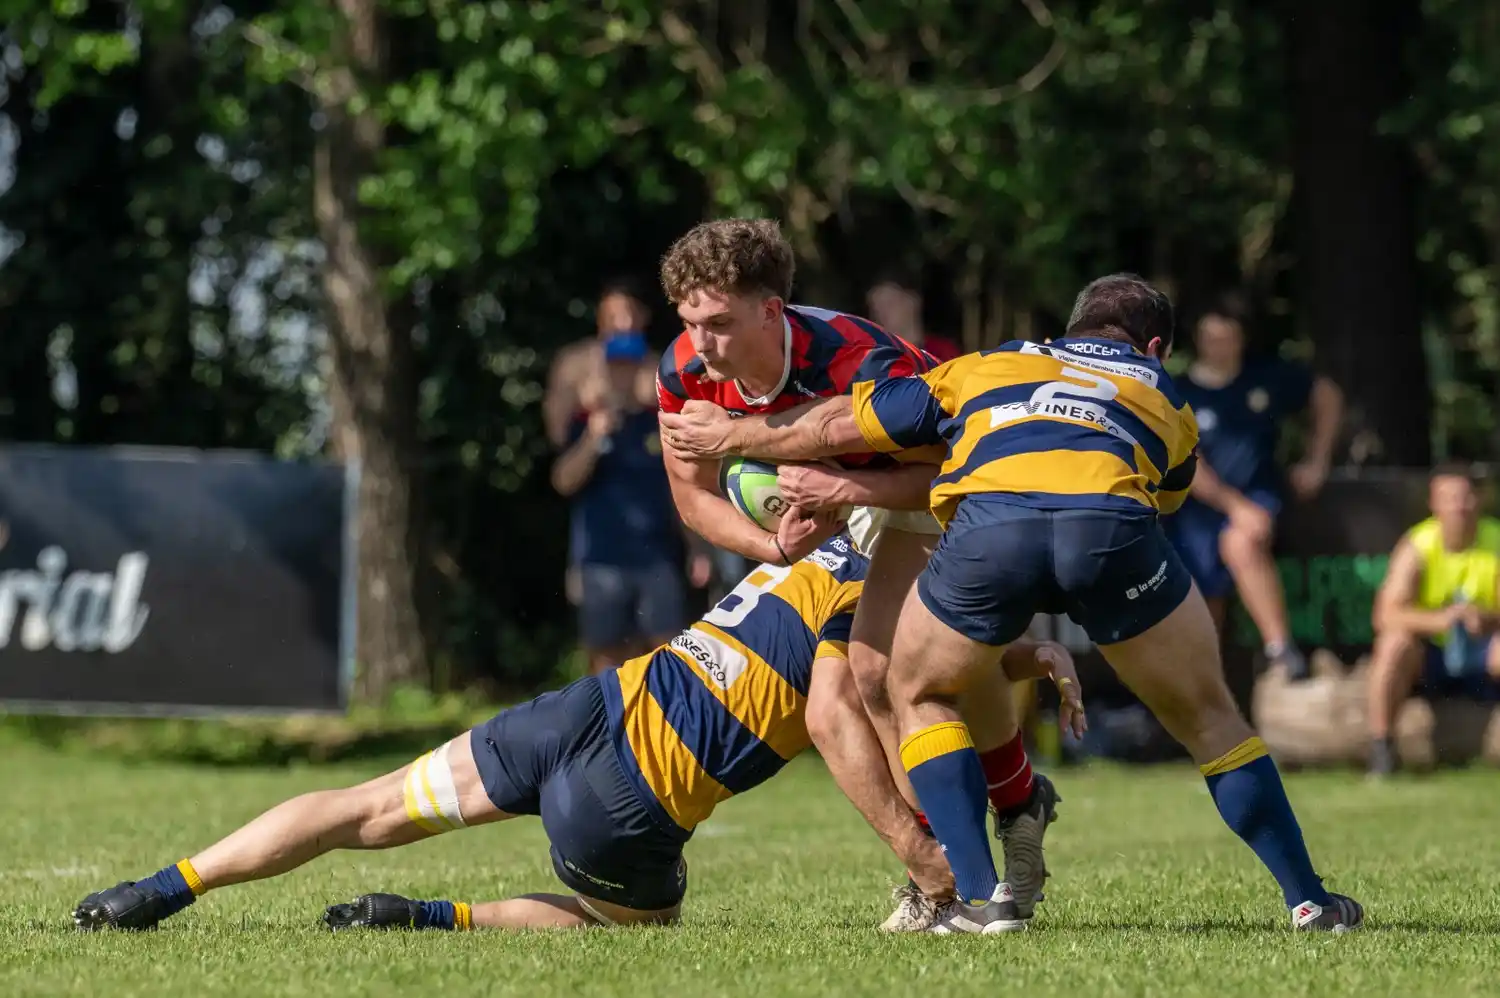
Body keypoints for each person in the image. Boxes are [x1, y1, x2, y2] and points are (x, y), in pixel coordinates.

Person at [661, 273, 1363, 935]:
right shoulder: (1163, 391)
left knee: (919, 689)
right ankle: (1309, 901)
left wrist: (739, 436)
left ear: (1069, 331)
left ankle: (978, 898)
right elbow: (1169, 493)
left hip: (994, 531)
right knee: (1210, 719)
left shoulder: (989, 364)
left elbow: (846, 423)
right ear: (1157, 348)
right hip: (1107, 529)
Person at [71, 535, 1085, 933]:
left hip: (583, 709)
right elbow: (836, 707)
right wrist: (920, 852)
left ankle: (161, 887)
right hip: (628, 804)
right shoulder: (871, 589)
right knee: (637, 930)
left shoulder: (815, 555)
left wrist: (1016, 658)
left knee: (365, 803)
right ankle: (430, 918)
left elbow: (901, 663)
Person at [654, 218, 1060, 930]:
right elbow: (692, 497)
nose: (703, 344)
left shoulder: (858, 359)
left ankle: (976, 871)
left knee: (884, 674)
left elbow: (943, 472)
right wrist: (772, 548)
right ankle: (948, 864)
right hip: (851, 513)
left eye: (720, 323)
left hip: (945, 495)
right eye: (690, 324)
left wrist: (843, 492)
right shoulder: (685, 370)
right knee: (830, 709)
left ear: (772, 310)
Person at [1164, 299, 1344, 681]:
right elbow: (1189, 465)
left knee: (1241, 543)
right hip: (1196, 509)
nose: (1220, 347)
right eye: (1212, 338)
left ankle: (1280, 648)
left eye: (1228, 338)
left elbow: (1326, 394)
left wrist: (1317, 459)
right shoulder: (1177, 393)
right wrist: (1233, 506)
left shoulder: (1268, 377)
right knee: (1202, 592)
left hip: (1260, 494)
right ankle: (1203, 684)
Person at [1366, 463, 1500, 776]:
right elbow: (1384, 615)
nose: (1459, 507)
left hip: (1482, 651)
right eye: (1449, 498)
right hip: (1432, 655)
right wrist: (1440, 620)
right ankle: (1381, 749)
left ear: (1478, 500)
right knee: (1393, 644)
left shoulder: (1495, 540)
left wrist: (1485, 618)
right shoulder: (1417, 545)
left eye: (1465, 497)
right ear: (1434, 503)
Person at [866, 270, 963, 363]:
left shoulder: (942, 353)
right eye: (875, 309)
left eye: (889, 304)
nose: (881, 314)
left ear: (912, 302)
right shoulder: (876, 359)